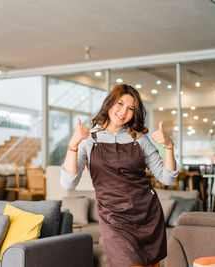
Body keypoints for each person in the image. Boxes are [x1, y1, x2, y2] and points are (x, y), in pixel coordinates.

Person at [61, 84, 179, 267]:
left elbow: (167, 179)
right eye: (120, 104)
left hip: (147, 214)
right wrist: (73, 145)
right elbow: (69, 183)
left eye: (130, 108)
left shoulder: (139, 139)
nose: (123, 112)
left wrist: (169, 146)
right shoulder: (88, 140)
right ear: (109, 104)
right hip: (113, 217)